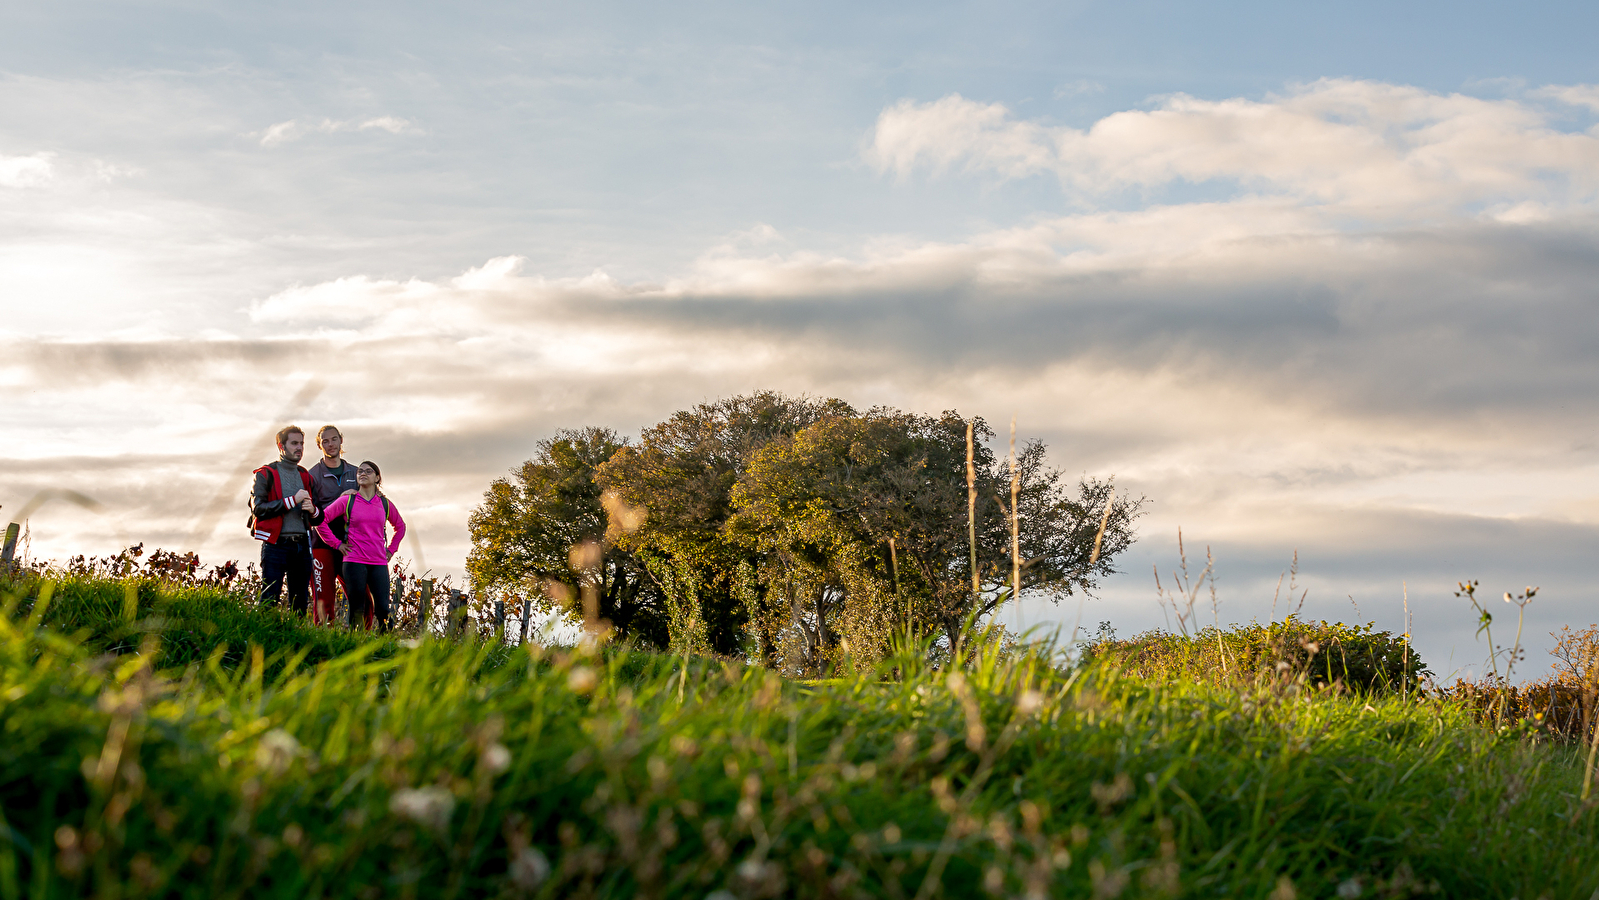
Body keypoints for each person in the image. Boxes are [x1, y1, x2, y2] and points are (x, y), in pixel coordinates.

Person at [315, 460, 406, 631]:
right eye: (360, 471)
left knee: (383, 609)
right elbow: (321, 521)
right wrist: (337, 544)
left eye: (368, 471)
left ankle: (385, 642)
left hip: (378, 562)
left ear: (377, 478)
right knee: (357, 608)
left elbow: (400, 527)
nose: (363, 473)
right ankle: (354, 642)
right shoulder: (347, 501)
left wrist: (391, 550)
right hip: (354, 561)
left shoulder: (384, 503)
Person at [250, 425, 325, 615]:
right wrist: (293, 500)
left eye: (301, 443)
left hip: (302, 545)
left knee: (300, 603)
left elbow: (319, 517)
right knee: (269, 598)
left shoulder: (306, 476)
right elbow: (258, 508)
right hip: (276, 545)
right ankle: (264, 633)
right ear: (281, 446)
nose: (299, 448)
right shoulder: (265, 474)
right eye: (294, 443)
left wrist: (313, 510)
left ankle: (295, 635)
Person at [307, 425, 360, 626]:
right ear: (319, 445)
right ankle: (323, 637)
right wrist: (340, 500)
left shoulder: (356, 472)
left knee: (361, 595)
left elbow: (371, 504)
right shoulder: (312, 475)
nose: (330, 444)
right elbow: (310, 512)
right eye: (325, 441)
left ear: (341, 440)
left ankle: (363, 637)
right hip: (321, 544)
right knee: (323, 599)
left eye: (334, 439)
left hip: (352, 544)